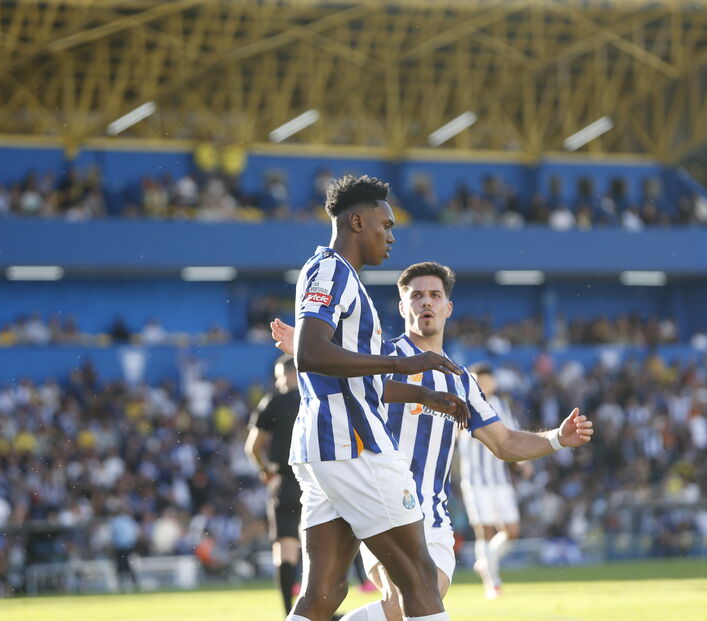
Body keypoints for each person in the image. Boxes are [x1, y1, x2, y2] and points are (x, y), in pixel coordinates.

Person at [272, 261, 594, 621]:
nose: (426, 302)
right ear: (402, 306)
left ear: (448, 307)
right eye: (417, 295)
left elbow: (503, 443)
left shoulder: (461, 381)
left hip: (434, 518)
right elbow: (334, 370)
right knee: (407, 597)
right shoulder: (380, 359)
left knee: (404, 605)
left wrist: (556, 439)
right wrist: (302, 349)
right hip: (381, 503)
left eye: (435, 295)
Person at [284, 175, 471, 621]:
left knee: (324, 593)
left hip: (322, 446)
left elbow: (354, 376)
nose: (391, 236)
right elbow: (310, 353)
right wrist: (398, 363)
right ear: (356, 221)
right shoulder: (332, 272)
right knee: (420, 579)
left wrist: (424, 393)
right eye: (384, 226)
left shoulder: (334, 274)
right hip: (354, 444)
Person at [457, 362, 530, 599]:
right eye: (478, 380)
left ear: (494, 383)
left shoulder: (500, 405)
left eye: (486, 380)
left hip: (499, 479)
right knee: (484, 530)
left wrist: (522, 460)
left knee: (512, 531)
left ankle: (486, 563)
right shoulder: (462, 403)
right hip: (476, 481)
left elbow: (510, 435)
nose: (483, 384)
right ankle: (492, 581)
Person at [245, 355, 303, 615]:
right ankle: (318, 609)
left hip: (284, 482)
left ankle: (289, 613)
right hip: (316, 481)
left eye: (280, 376)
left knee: (285, 549)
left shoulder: (273, 402)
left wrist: (265, 469)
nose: (278, 382)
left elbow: (252, 447)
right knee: (319, 546)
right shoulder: (315, 400)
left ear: (290, 374)